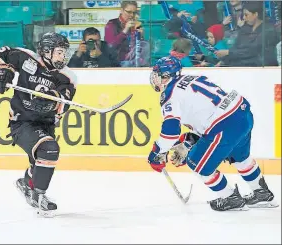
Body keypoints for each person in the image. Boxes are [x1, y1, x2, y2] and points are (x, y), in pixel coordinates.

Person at [147, 56, 278, 211]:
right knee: (240, 157)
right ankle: (261, 193)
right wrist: (187, 143)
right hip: (242, 114)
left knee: (196, 163)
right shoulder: (191, 79)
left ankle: (230, 197)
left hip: (225, 125)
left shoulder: (169, 94)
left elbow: (170, 132)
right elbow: (205, 117)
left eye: (157, 74)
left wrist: (157, 152)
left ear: (166, 76)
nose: (154, 77)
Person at [0, 32, 77, 216]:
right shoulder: (26, 58)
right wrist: (1, 70)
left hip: (46, 125)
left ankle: (27, 182)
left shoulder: (67, 76)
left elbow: (63, 104)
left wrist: (51, 102)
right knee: (49, 149)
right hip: (22, 122)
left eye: (65, 52)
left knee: (40, 162)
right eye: (60, 52)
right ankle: (38, 196)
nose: (63, 56)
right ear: (47, 50)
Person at [215, 1, 279, 67]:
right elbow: (236, 47)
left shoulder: (269, 30)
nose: (244, 18)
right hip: (244, 65)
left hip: (261, 67)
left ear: (255, 14)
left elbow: (252, 51)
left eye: (246, 15)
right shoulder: (245, 28)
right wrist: (224, 60)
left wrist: (228, 52)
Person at [104, 1, 148, 67]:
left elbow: (141, 47)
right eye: (129, 12)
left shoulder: (136, 24)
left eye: (134, 12)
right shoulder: (112, 24)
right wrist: (125, 30)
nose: (132, 15)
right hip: (118, 63)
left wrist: (141, 36)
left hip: (135, 61)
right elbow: (110, 46)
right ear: (121, 10)